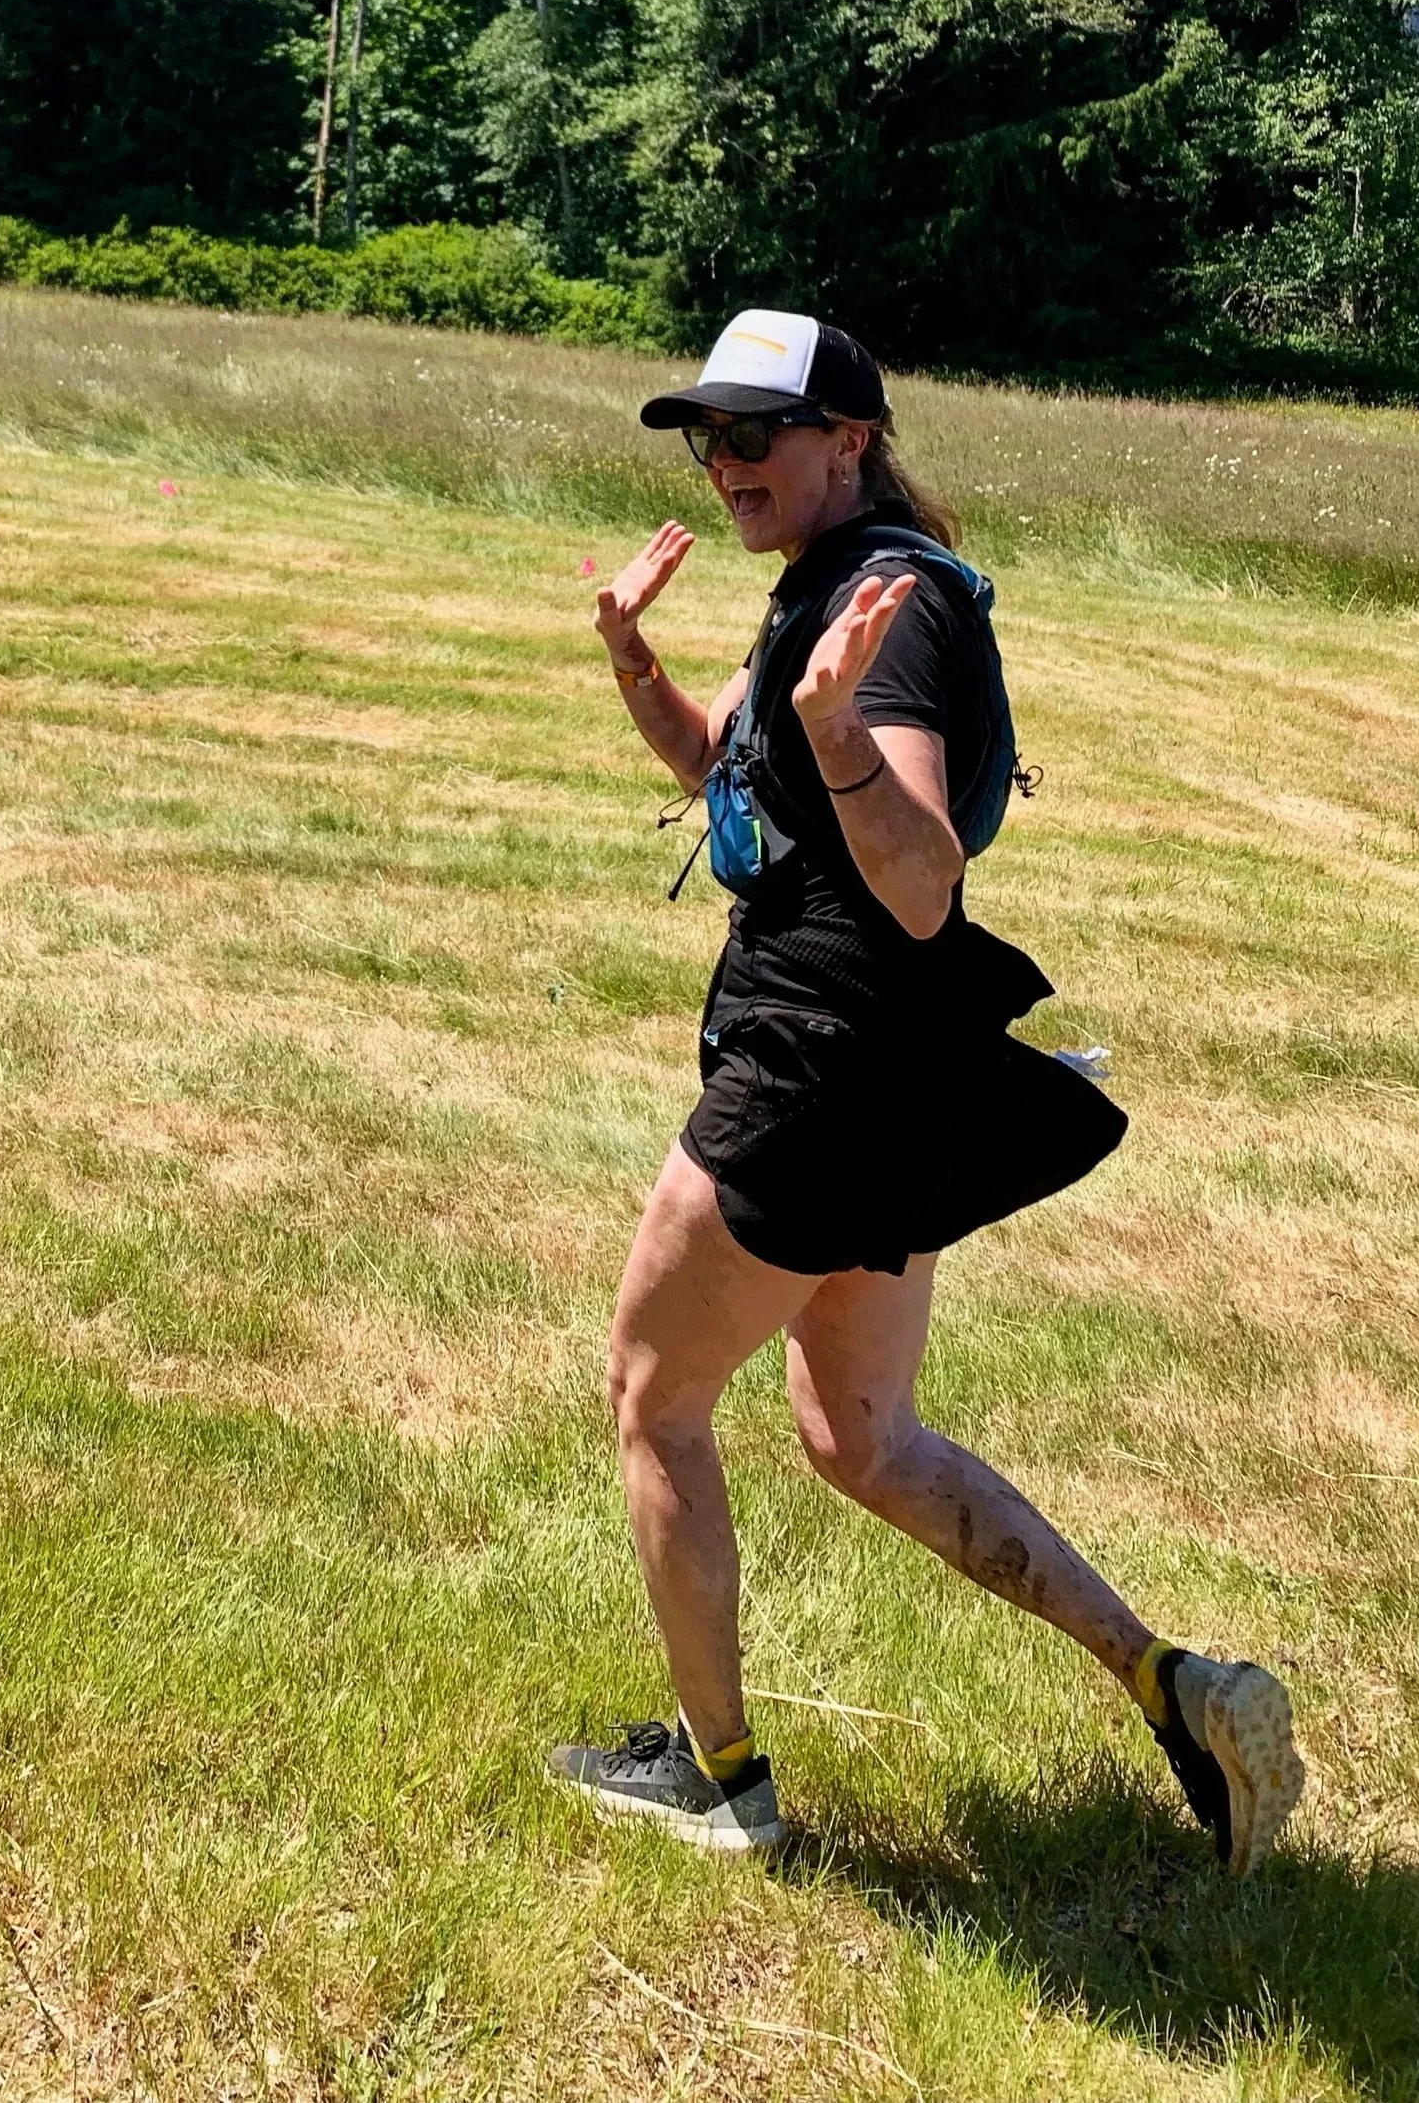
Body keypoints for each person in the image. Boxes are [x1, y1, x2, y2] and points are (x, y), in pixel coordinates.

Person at [547, 309, 1304, 1874]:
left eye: (758, 435)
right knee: (862, 1438)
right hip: (893, 1073)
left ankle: (722, 1782)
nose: (727, 463)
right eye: (708, 437)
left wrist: (831, 722)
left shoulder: (888, 609)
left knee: (652, 1395)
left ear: (852, 439)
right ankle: (1180, 1687)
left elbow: (914, 880)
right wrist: (637, 662)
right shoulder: (835, 588)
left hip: (819, 1067)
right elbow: (733, 786)